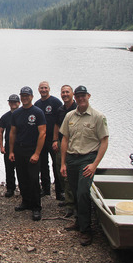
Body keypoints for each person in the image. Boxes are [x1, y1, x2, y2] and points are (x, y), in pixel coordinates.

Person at [60, 85, 109, 246]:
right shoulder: (69, 116)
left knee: (82, 192)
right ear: (75, 97)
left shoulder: (97, 117)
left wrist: (95, 164)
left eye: (83, 96)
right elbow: (65, 139)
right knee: (74, 192)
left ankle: (86, 230)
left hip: (87, 159)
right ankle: (79, 222)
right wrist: (63, 163)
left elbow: (104, 141)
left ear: (88, 96)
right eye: (78, 96)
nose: (81, 99)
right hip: (72, 159)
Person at [9, 86, 46, 221]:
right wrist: (11, 151)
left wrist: (37, 153)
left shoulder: (38, 112)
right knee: (22, 177)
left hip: (32, 150)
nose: (25, 98)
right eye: (22, 95)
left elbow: (42, 133)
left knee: (34, 179)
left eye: (27, 95)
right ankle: (26, 201)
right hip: (19, 149)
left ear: (31, 96)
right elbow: (12, 133)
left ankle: (36, 207)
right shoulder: (16, 114)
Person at [34, 81, 63, 198]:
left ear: (49, 89)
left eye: (45, 88)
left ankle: (59, 191)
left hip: (53, 139)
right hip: (41, 139)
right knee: (42, 165)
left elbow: (60, 121)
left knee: (56, 164)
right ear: (38, 90)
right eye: (41, 88)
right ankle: (45, 189)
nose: (43, 90)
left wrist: (57, 139)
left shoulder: (56, 102)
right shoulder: (37, 104)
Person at [52, 85, 77, 217]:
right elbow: (56, 125)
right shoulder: (60, 110)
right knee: (60, 169)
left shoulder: (77, 108)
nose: (65, 94)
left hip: (75, 143)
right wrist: (55, 140)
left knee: (70, 172)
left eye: (67, 92)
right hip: (62, 142)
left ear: (72, 94)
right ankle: (68, 198)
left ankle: (71, 204)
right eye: (63, 92)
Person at [0, 94, 21, 197]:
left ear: (19, 103)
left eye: (15, 102)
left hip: (20, 145)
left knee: (21, 168)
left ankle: (23, 188)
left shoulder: (23, 114)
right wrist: (1, 146)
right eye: (11, 102)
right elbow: (0, 131)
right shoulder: (5, 116)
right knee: (9, 168)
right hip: (8, 145)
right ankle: (10, 188)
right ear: (9, 103)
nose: (13, 104)